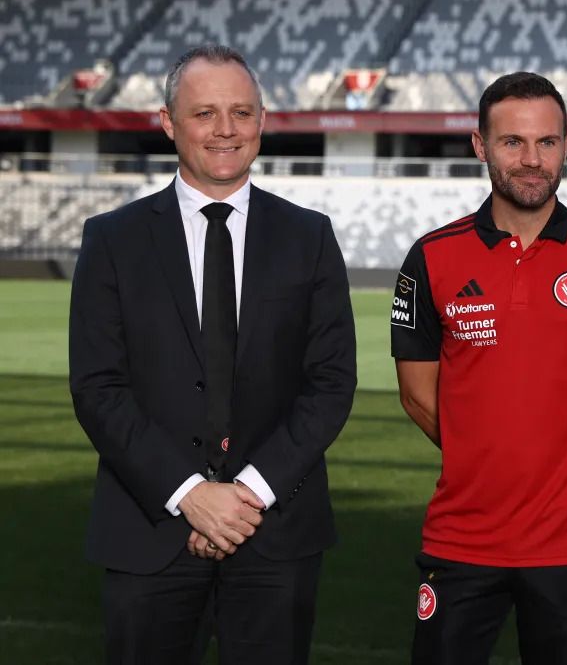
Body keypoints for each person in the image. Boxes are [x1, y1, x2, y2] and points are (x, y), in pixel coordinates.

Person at [69, 44, 356, 665]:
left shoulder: (310, 236)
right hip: (150, 532)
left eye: (241, 112)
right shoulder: (112, 239)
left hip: (275, 535)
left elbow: (331, 383)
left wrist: (244, 495)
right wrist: (190, 495)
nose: (225, 130)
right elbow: (98, 388)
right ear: (169, 122)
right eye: (205, 113)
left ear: (262, 120)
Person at [390, 72, 567, 665]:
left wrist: (561, 459)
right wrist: (483, 453)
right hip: (461, 538)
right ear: (479, 146)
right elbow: (416, 394)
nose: (532, 160)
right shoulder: (432, 256)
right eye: (513, 142)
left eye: (547, 142)